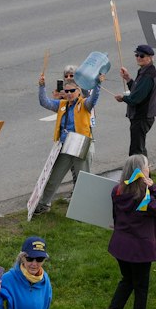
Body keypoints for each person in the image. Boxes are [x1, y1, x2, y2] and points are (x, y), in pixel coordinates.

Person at [104, 155, 156, 309]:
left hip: (120, 244)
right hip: (140, 249)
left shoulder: (117, 191)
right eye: (147, 165)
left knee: (127, 279)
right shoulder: (144, 196)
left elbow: (116, 214)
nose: (149, 167)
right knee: (141, 286)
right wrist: (153, 187)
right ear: (141, 171)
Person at [38, 60, 103, 209]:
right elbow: (44, 102)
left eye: (72, 91)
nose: (69, 94)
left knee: (83, 179)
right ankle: (43, 204)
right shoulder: (61, 104)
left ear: (79, 91)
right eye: (66, 92)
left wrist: (98, 84)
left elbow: (94, 99)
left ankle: (85, 208)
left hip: (81, 145)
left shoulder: (84, 104)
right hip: (65, 145)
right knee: (54, 178)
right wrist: (42, 86)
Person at [116, 43, 156, 158]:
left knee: (136, 151)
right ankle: (145, 169)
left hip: (142, 116)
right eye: (137, 55)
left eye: (142, 56)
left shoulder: (148, 75)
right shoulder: (144, 71)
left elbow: (136, 99)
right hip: (141, 116)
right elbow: (137, 90)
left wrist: (123, 98)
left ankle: (139, 169)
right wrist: (128, 79)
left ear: (150, 58)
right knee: (140, 147)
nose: (138, 58)